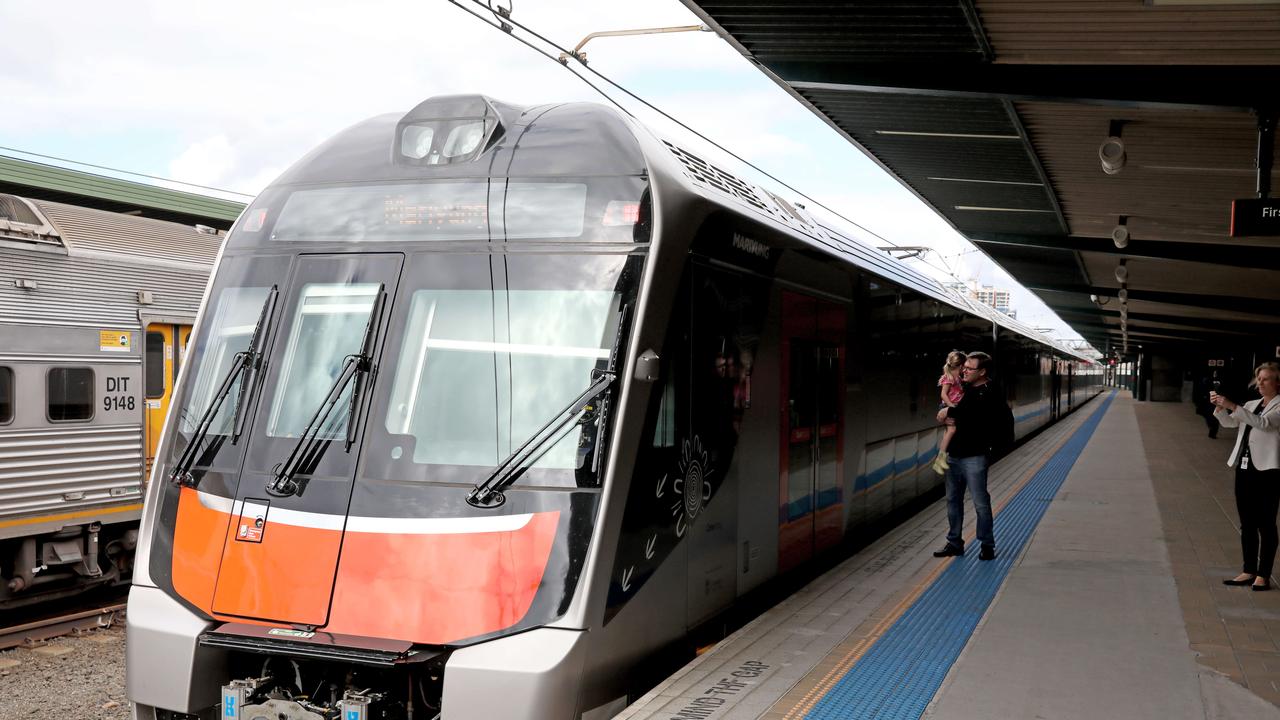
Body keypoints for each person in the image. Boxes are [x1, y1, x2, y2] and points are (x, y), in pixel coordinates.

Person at [932, 351, 1011, 561]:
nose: (964, 371)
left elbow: (976, 415)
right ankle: (954, 542)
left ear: (982, 372)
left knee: (980, 502)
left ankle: (987, 545)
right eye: (964, 367)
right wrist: (947, 413)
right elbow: (955, 409)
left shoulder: (990, 391)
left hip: (975, 456)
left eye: (969, 368)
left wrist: (949, 413)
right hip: (954, 454)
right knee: (952, 500)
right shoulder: (963, 388)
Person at [1212, 362, 1280, 592]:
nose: (1260, 383)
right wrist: (1221, 409)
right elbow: (1232, 423)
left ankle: (1264, 575)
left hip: (1269, 472)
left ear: (1277, 382)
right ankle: (1248, 570)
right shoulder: (1252, 403)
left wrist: (1232, 405)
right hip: (1245, 469)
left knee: (1266, 524)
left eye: (1266, 379)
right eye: (1258, 378)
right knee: (1247, 523)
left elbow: (1264, 424)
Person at [932, 351, 967, 474]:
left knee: (951, 431)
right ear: (961, 366)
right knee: (951, 430)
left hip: (953, 406)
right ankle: (939, 460)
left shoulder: (957, 378)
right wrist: (951, 407)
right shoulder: (949, 377)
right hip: (948, 406)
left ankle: (941, 459)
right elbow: (943, 394)